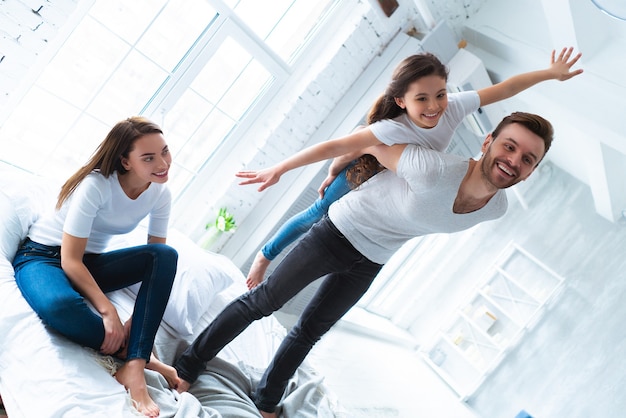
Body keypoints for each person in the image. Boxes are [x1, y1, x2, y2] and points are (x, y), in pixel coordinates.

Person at [175, 111, 557, 417]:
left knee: (309, 332)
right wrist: (332, 169)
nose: (514, 161)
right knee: (263, 302)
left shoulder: (497, 208)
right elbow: (372, 140)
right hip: (339, 230)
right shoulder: (433, 169)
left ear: (533, 170)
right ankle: (189, 367)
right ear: (488, 141)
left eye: (528, 159)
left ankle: (266, 401)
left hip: (373, 259)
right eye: (509, 147)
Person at [245, 46, 583, 289]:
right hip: (366, 169)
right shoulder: (390, 128)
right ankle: (265, 255)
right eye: (422, 99)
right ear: (402, 101)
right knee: (319, 211)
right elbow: (340, 146)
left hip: (401, 180)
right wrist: (287, 168)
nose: (434, 106)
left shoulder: (452, 106)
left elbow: (505, 88)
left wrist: (550, 74)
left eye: (440, 94)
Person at [12, 117, 180, 418]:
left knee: (164, 255)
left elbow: (155, 257)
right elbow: (69, 260)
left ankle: (135, 366)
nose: (163, 163)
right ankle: (137, 354)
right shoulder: (96, 186)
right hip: (44, 257)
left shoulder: (160, 194)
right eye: (149, 157)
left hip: (87, 263)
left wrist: (137, 319)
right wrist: (108, 310)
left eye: (165, 151)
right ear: (125, 162)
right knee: (61, 305)